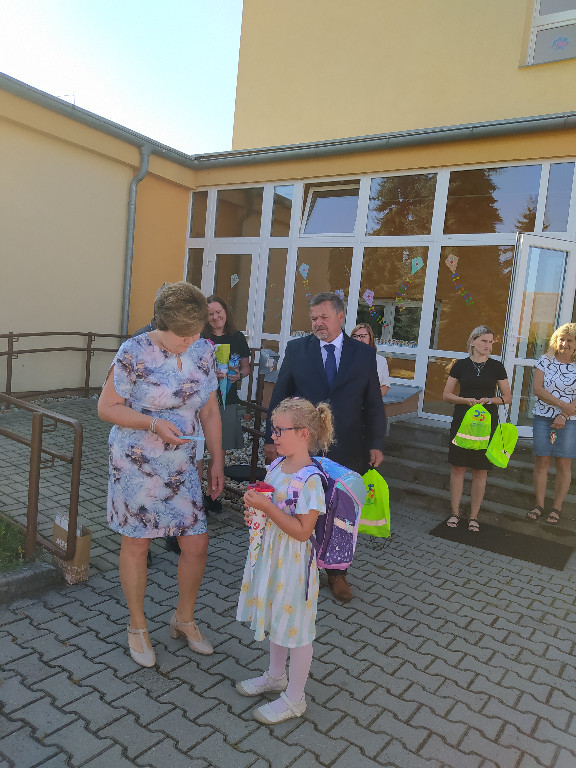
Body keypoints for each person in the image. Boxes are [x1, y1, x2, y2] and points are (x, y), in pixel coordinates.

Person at [98, 282, 224, 668]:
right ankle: (137, 626)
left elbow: (209, 410)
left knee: (196, 544)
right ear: (162, 325)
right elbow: (106, 407)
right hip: (137, 463)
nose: (190, 341)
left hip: (182, 464)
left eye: (195, 333)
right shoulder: (133, 351)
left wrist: (217, 459)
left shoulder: (204, 350)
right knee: (137, 544)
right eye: (183, 335)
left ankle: (183, 619)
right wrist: (152, 424)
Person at [264, 292, 386, 602]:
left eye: (324, 317)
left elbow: (373, 402)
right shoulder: (297, 350)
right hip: (304, 447)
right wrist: (270, 438)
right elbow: (279, 397)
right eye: (314, 318)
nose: (318, 323)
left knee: (340, 513)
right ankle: (300, 569)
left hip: (348, 446)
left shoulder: (363, 354)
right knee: (304, 508)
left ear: (340, 316)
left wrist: (376, 442)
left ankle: (337, 573)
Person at [236, 397, 333, 724]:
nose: (273, 436)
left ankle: (295, 698)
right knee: (278, 618)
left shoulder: (310, 480)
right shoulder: (277, 466)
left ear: (303, 433)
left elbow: (303, 531)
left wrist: (267, 508)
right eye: (273, 430)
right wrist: (255, 510)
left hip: (294, 565)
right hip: (272, 556)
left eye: (280, 431)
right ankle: (276, 676)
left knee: (297, 629)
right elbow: (272, 508)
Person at [442, 325, 511, 533]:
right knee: (458, 468)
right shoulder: (460, 365)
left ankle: (474, 516)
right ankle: (455, 513)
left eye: (490, 342)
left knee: (481, 470)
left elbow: (507, 397)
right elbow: (446, 395)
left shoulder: (497, 366)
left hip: (486, 423)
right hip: (462, 421)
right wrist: (465, 400)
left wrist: (489, 399)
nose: (488, 345)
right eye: (484, 341)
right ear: (473, 341)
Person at [202, 295, 250, 513]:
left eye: (218, 312)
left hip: (226, 401)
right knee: (195, 450)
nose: (215, 317)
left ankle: (211, 494)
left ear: (225, 313)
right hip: (202, 401)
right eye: (210, 314)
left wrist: (238, 375)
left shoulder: (237, 337)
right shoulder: (200, 337)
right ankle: (192, 494)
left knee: (218, 450)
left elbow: (246, 368)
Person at [528, 323, 576, 525]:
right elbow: (537, 390)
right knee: (542, 461)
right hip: (543, 417)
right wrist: (562, 405)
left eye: (570, 340)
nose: (564, 343)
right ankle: (539, 505)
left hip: (570, 420)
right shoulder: (545, 360)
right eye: (561, 339)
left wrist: (563, 414)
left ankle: (556, 508)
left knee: (563, 464)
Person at [351, 323, 391, 396]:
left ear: (370, 338)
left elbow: (385, 386)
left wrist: (373, 399)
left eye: (362, 336)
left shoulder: (380, 360)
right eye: (355, 336)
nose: (358, 339)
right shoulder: (344, 358)